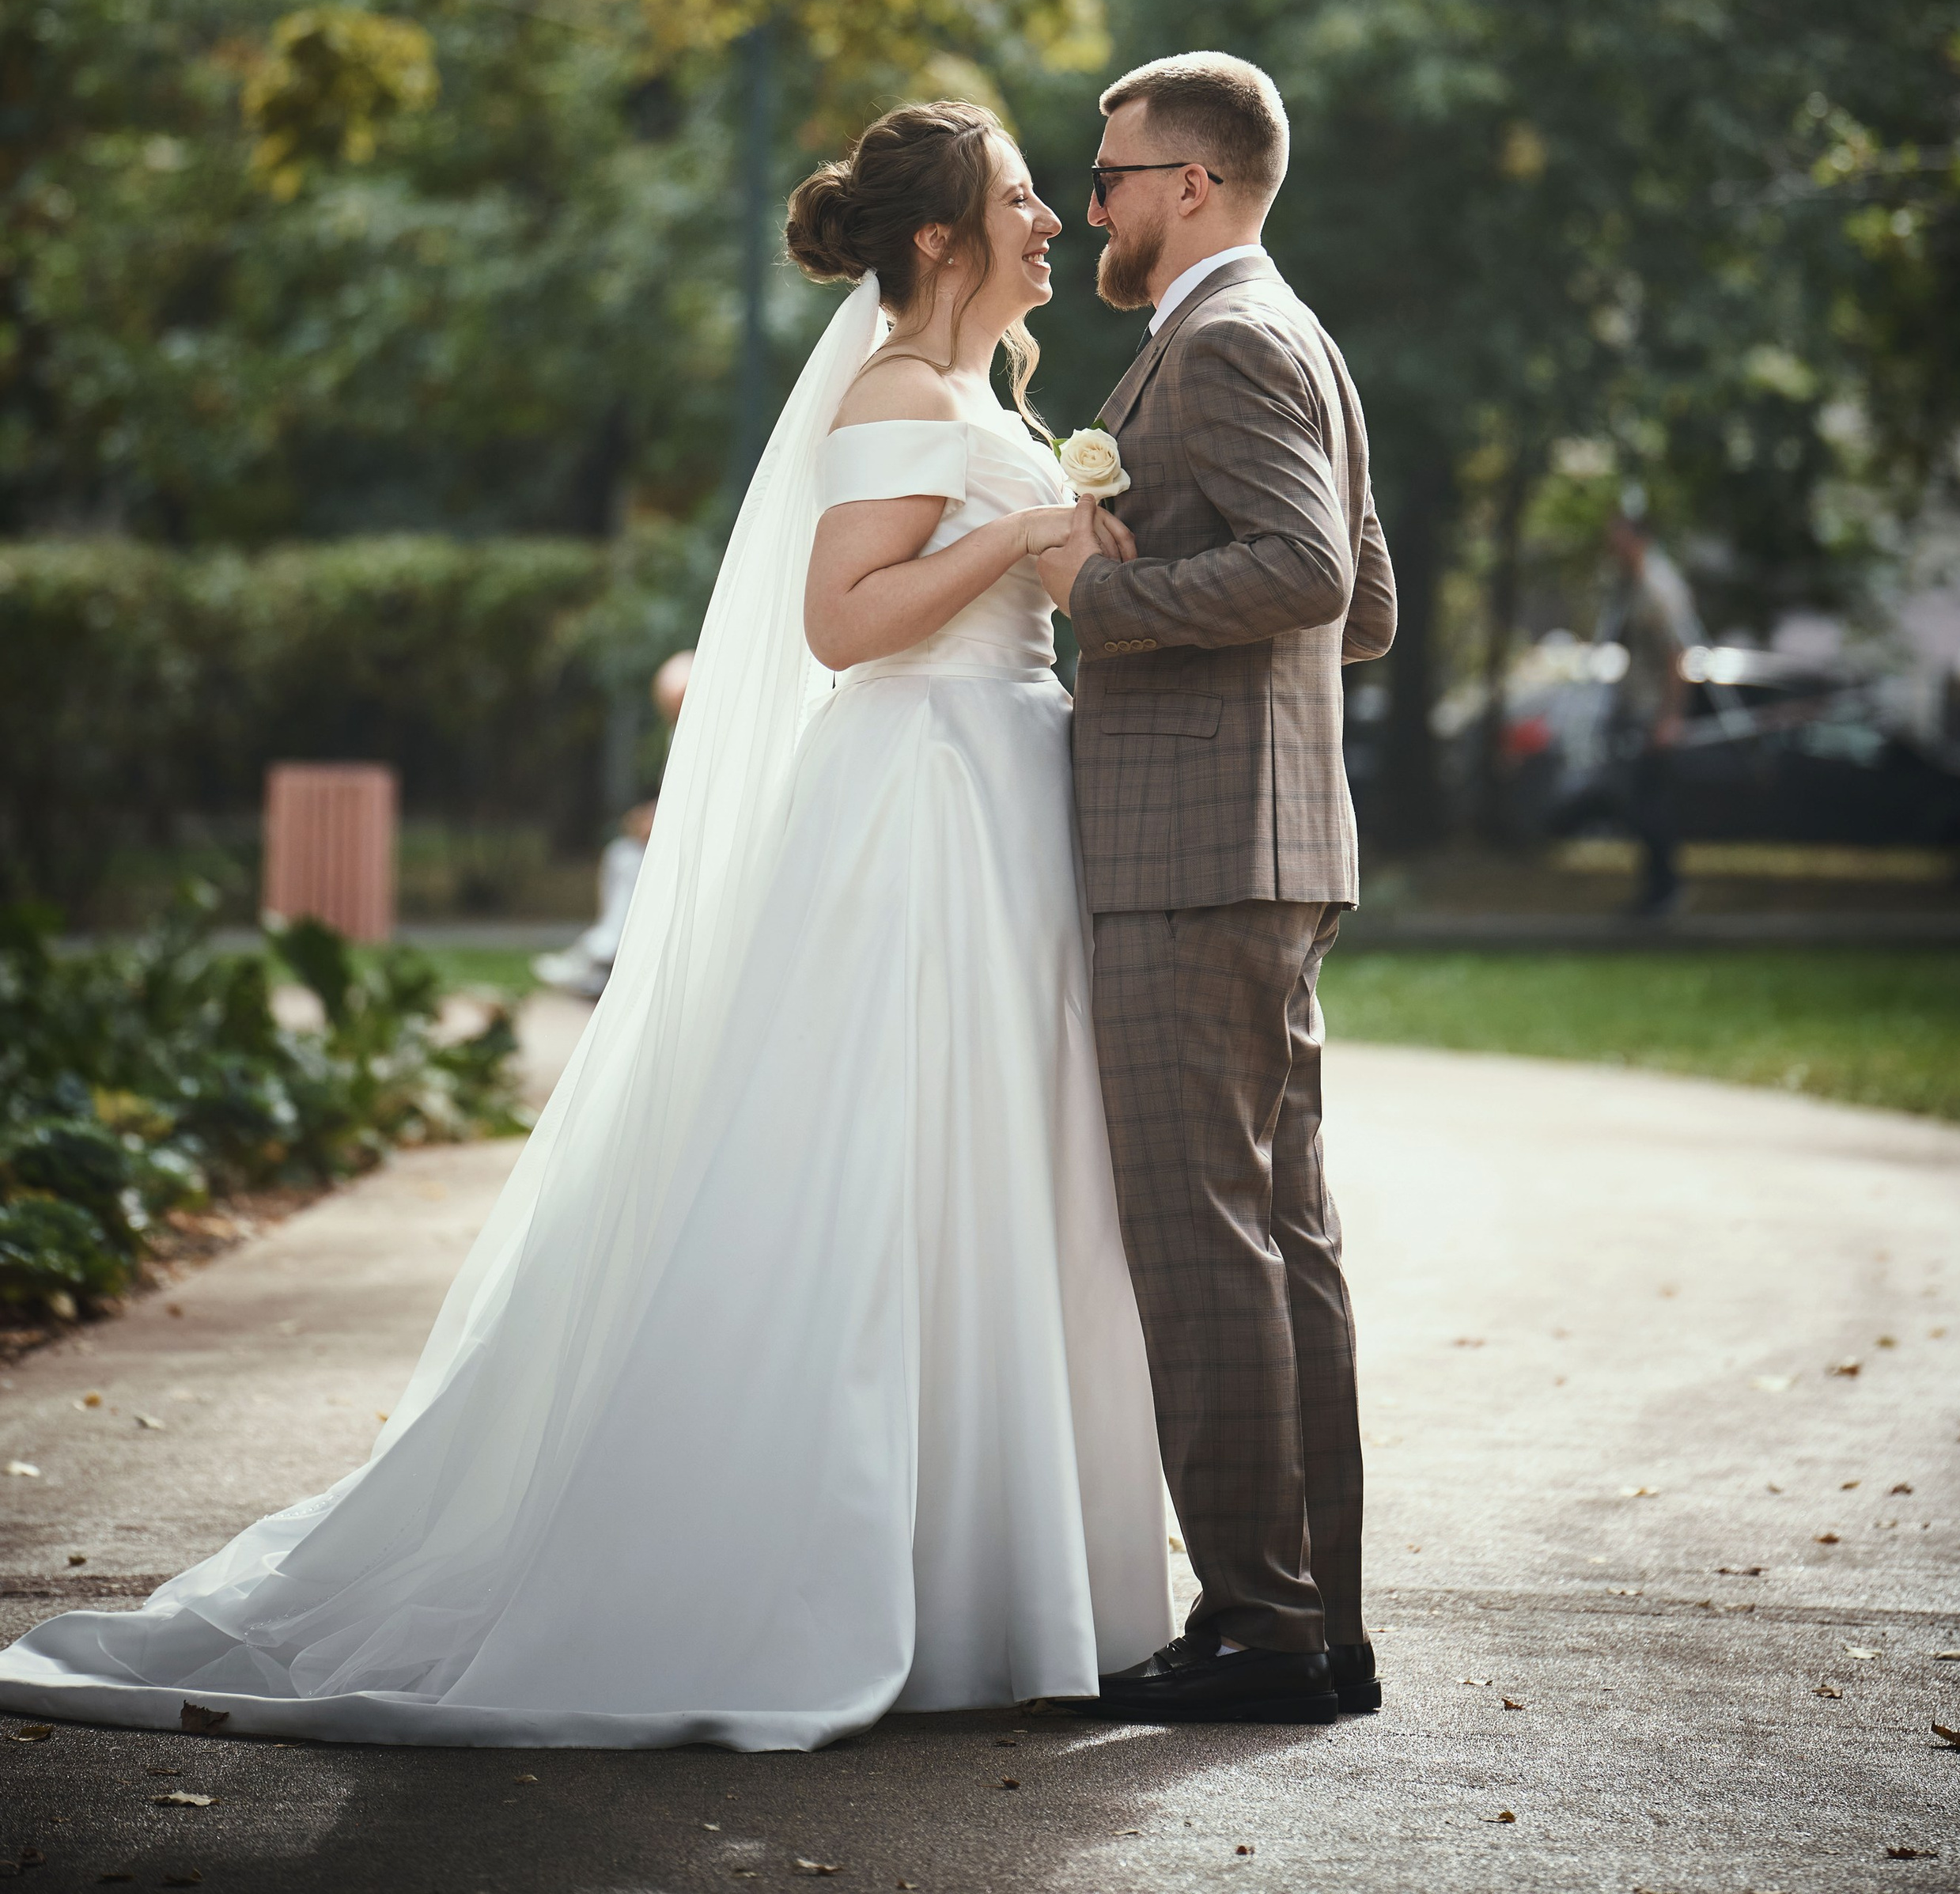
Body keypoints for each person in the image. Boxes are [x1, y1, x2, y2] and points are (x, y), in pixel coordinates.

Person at [0, 102, 1171, 1749]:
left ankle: (982, 1576)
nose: (1050, 215)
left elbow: (1012, 588)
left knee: (996, 1164)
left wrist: (1084, 548)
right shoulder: (900, 387)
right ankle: (873, 1576)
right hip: (918, 802)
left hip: (1000, 785)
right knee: (886, 1167)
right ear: (937, 240)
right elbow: (841, 621)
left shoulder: (979, 393)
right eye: (1020, 196)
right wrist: (1016, 530)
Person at [1029, 51, 1397, 1730]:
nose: (1088, 197)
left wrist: (1106, 593)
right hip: (1269, 843)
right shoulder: (1294, 329)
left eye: (1106, 172)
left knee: (1203, 1246)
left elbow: (1313, 573)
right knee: (1280, 1242)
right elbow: (1363, 605)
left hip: (1196, 856)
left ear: (1189, 180)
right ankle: (1315, 1623)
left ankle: (1257, 1621)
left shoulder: (1229, 334)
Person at [535, 653, 694, 1002]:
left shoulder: (713, 729)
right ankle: (604, 953)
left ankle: (603, 954)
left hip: (699, 847)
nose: (676, 715)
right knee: (623, 855)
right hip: (678, 841)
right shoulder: (678, 732)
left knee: (628, 861)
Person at [1600, 499, 1703, 921]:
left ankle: (1665, 894)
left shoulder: (1661, 587)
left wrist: (1669, 718)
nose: (1612, 544)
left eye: (1619, 534)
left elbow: (1678, 655)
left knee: (1651, 807)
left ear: (1638, 537)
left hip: (1653, 715)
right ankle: (1655, 893)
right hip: (1637, 710)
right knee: (1640, 805)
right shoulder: (1632, 584)